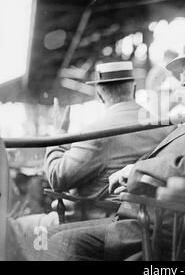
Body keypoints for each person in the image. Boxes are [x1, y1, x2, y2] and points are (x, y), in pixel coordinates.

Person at [20, 32, 185, 261]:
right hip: (148, 220)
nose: (182, 81)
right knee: (50, 238)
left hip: (168, 234)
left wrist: (134, 170)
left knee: (56, 244)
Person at [16, 62, 175, 228]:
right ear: (133, 88)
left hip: (94, 222)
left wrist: (58, 135)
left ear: (100, 93)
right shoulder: (163, 126)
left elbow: (57, 177)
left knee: (19, 226)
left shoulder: (96, 132)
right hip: (145, 221)